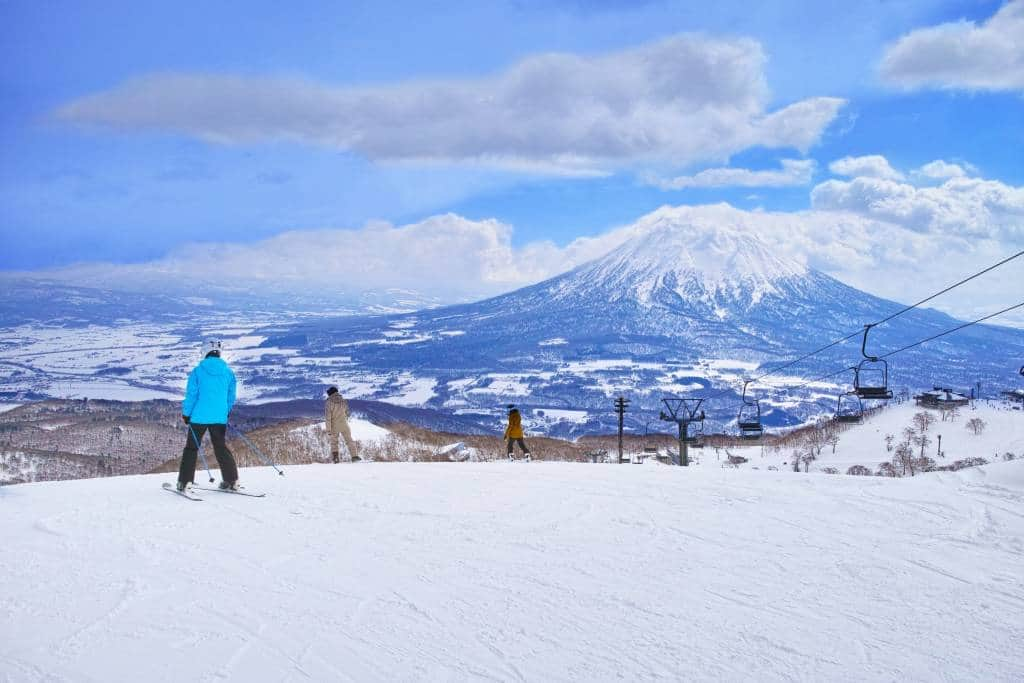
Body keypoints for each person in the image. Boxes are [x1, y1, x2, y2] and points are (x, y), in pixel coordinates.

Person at [177, 340, 240, 491]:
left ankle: (185, 482)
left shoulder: (197, 371)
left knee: (191, 448)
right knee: (220, 448)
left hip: (198, 417)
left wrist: (186, 414)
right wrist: (224, 411)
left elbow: (192, 395)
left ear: (205, 352)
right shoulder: (228, 372)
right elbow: (231, 397)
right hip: (219, 417)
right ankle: (231, 481)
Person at [325, 386, 360, 463]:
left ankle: (336, 458)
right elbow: (347, 413)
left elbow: (328, 418)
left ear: (330, 393)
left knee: (334, 442)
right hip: (344, 425)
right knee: (349, 440)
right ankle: (355, 456)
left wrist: (328, 430)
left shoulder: (329, 402)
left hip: (334, 426)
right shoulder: (343, 401)